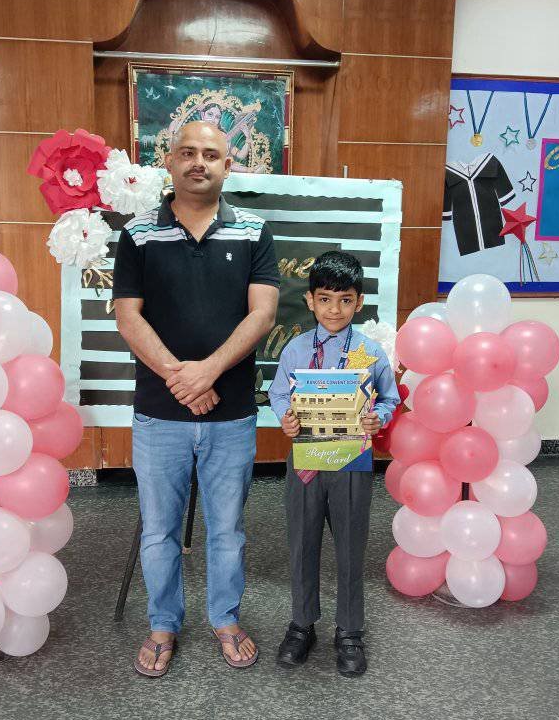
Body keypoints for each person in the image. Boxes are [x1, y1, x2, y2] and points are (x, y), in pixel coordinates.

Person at [113, 121, 280, 677]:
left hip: (231, 413)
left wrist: (208, 372)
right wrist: (181, 379)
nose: (198, 162)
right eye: (187, 152)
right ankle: (163, 624)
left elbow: (263, 313)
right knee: (158, 530)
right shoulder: (138, 234)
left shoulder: (254, 230)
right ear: (169, 161)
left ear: (228, 166)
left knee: (227, 530)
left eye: (211, 154)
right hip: (158, 413)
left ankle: (225, 619)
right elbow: (128, 318)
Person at [267, 251, 400, 677]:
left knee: (350, 545)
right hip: (305, 460)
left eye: (345, 300)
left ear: (359, 303)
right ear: (310, 301)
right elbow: (278, 393)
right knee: (302, 542)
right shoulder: (296, 349)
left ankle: (350, 630)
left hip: (351, 461)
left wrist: (379, 418)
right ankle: (302, 624)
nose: (334, 310)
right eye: (325, 299)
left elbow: (391, 398)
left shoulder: (369, 352)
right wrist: (285, 417)